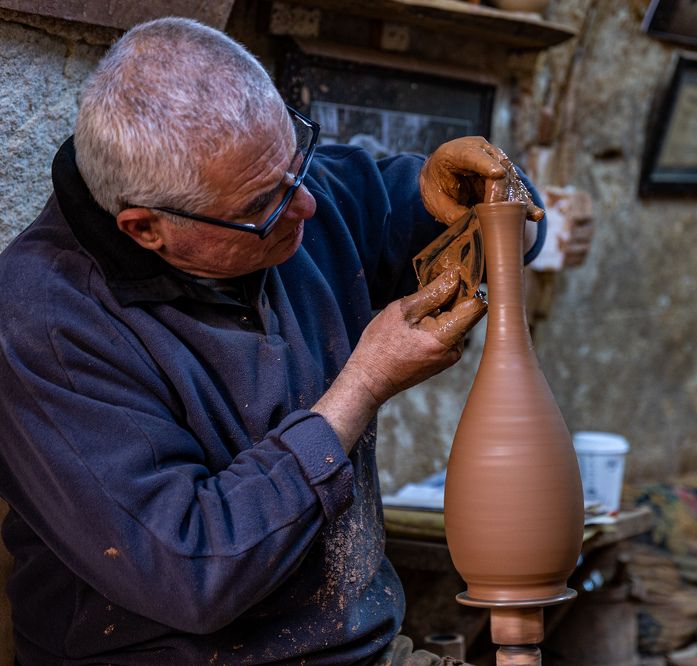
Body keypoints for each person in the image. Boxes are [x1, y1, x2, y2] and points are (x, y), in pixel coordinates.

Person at [0, 16, 544, 665]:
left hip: (357, 651)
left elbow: (511, 230)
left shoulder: (293, 199)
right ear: (146, 228)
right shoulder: (46, 323)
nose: (307, 206)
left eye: (298, 163)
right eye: (264, 202)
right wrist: (361, 388)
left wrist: (490, 201)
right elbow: (193, 576)